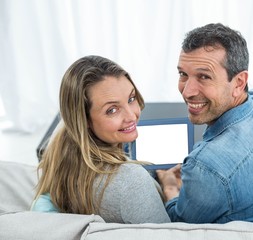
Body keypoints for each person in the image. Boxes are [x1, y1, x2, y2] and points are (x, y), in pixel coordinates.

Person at [156, 23, 253, 224]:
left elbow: (180, 227)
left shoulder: (205, 167)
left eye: (204, 76)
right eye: (183, 74)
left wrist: (170, 187)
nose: (187, 91)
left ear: (239, 83)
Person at [31, 55, 170, 224]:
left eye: (131, 99)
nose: (132, 115)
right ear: (84, 120)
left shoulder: (61, 142)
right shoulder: (131, 182)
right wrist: (171, 191)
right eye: (112, 110)